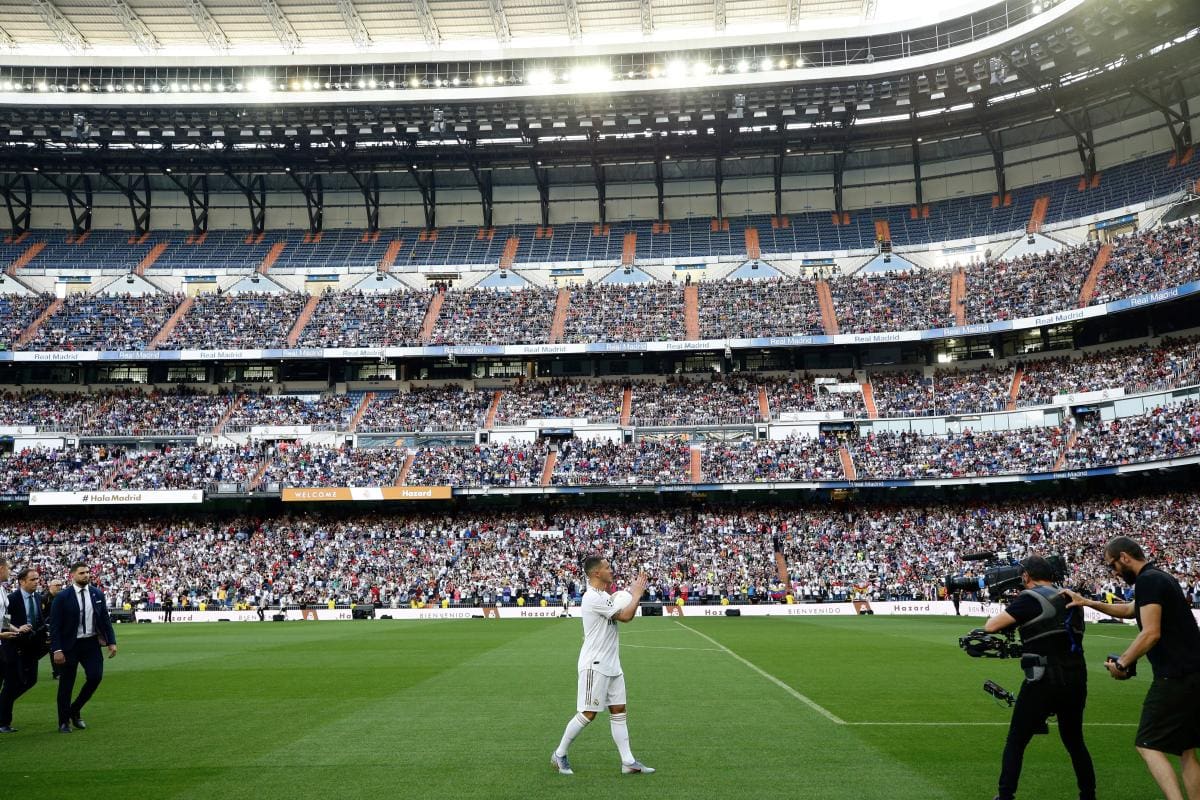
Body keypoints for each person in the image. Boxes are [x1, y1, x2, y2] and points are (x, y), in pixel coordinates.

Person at [1063, 536, 1200, 800]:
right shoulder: (1160, 577)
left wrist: (1122, 663)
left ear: (1124, 557)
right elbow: (1130, 610)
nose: (1113, 572)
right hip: (1194, 674)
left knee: (1147, 744)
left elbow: (1151, 633)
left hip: (1176, 677)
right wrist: (1088, 602)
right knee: (1187, 751)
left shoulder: (1147, 581)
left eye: (1112, 565)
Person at [983, 555, 1095, 800]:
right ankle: (1088, 796)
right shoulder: (1071, 596)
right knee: (1075, 742)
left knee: (1016, 740)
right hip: (1076, 678)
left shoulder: (1029, 598)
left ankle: (1005, 795)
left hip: (1043, 679)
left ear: (1026, 576)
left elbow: (991, 626)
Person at [551, 556, 654, 776]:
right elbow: (626, 616)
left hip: (612, 665)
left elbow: (620, 610)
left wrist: (625, 596)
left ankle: (628, 762)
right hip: (594, 664)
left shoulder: (604, 596)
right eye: (607, 567)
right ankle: (559, 754)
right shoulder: (591, 597)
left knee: (619, 711)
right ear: (596, 573)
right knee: (588, 713)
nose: (611, 570)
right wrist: (635, 593)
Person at [49, 562, 118, 734]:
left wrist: (112, 642)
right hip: (69, 646)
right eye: (82, 573)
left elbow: (104, 620)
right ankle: (63, 721)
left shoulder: (96, 593)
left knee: (95, 677)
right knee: (66, 684)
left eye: (88, 572)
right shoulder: (62, 597)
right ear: (72, 575)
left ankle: (74, 710)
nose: (86, 575)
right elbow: (55, 626)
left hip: (91, 643)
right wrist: (57, 649)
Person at [0, 569, 47, 733]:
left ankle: (3, 704)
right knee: (12, 682)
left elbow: (39, 619)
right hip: (13, 645)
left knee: (31, 680)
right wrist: (17, 630)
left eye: (37, 579)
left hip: (32, 646)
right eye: (33, 579)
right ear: (22, 581)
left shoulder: (38, 597)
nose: (36, 581)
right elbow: (4, 621)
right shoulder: (11, 599)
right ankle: (3, 721)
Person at [42, 579, 64, 680]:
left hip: (59, 627)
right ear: (50, 586)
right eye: (57, 585)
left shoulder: (62, 598)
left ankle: (59, 671)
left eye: (60, 585)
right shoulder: (45, 598)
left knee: (58, 649)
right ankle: (57, 672)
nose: (59, 587)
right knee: (52, 649)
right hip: (47, 628)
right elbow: (41, 615)